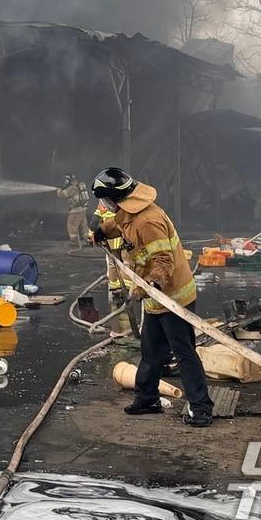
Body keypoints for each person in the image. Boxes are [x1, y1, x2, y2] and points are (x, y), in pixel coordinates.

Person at [91, 166, 213, 427]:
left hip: (173, 297)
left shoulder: (148, 221)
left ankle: (201, 407)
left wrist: (154, 281)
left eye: (104, 200)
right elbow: (119, 223)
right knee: (151, 350)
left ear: (114, 198)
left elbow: (163, 260)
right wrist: (102, 230)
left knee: (183, 352)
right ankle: (148, 398)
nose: (104, 205)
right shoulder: (130, 213)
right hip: (155, 297)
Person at [57, 173, 92, 250]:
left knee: (71, 225)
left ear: (69, 180)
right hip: (83, 209)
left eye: (66, 180)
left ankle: (74, 243)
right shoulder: (78, 186)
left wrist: (59, 189)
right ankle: (90, 240)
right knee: (84, 227)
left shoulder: (72, 188)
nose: (65, 181)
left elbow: (61, 194)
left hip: (75, 211)